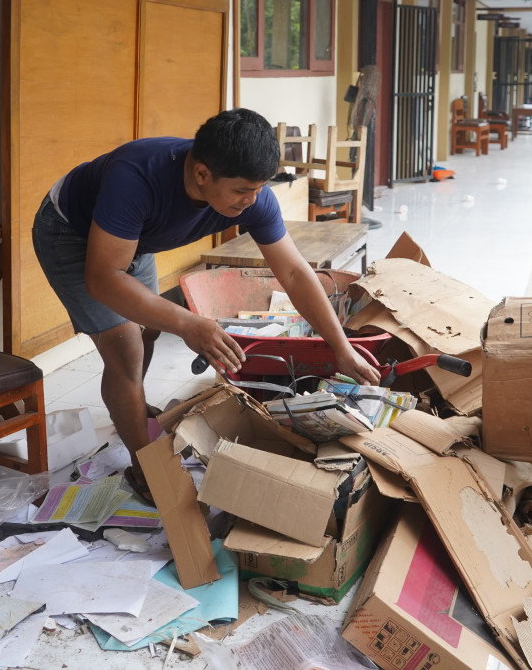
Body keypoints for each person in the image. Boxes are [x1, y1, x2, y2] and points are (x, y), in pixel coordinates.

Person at [32, 108, 381, 499]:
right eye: (241, 192)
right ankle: (146, 467)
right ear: (201, 174)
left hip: (135, 237)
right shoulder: (135, 179)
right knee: (125, 348)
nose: (251, 201)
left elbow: (296, 273)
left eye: (259, 189)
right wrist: (189, 324)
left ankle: (131, 407)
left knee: (146, 332)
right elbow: (103, 278)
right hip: (71, 231)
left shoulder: (253, 196)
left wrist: (341, 347)